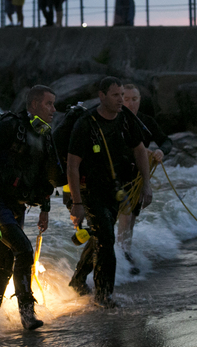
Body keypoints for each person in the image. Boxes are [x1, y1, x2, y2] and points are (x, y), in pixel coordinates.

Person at [0, 85, 57, 330]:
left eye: (54, 104)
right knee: (23, 248)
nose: (54, 109)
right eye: (48, 104)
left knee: (6, 260)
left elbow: (44, 175)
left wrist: (45, 208)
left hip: (18, 204)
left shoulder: (44, 134)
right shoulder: (11, 126)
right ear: (33, 104)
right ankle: (27, 313)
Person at [67, 77, 152, 308]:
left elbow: (140, 150)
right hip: (88, 191)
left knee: (99, 237)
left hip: (114, 190)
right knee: (106, 239)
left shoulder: (126, 119)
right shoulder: (86, 124)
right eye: (116, 95)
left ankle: (77, 281)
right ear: (102, 96)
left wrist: (146, 185)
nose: (121, 100)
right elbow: (72, 165)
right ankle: (104, 296)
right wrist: (76, 203)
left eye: (123, 95)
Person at [118, 84, 172, 274]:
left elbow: (166, 140)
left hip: (137, 176)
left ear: (140, 100)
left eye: (135, 99)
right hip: (116, 175)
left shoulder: (146, 121)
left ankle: (125, 252)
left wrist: (160, 151)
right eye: (126, 99)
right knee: (124, 214)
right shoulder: (115, 119)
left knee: (131, 217)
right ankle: (122, 256)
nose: (130, 103)